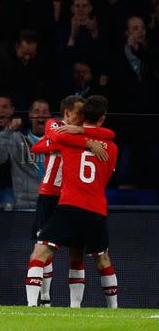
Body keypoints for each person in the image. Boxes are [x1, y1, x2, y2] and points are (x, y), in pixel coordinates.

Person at [25, 95, 119, 308]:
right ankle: (46, 300)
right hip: (80, 202)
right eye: (76, 112)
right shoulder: (110, 146)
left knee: (50, 251)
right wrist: (88, 139)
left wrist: (80, 135)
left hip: (68, 201)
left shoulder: (67, 140)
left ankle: (56, 306)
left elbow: (38, 147)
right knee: (100, 258)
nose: (79, 117)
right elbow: (109, 135)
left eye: (82, 113)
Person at [0, 99, 51, 209]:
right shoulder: (16, 138)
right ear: (30, 115)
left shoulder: (57, 141)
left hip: (51, 203)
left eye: (45, 112)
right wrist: (8, 130)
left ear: (50, 116)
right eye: (36, 111)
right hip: (25, 204)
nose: (40, 115)